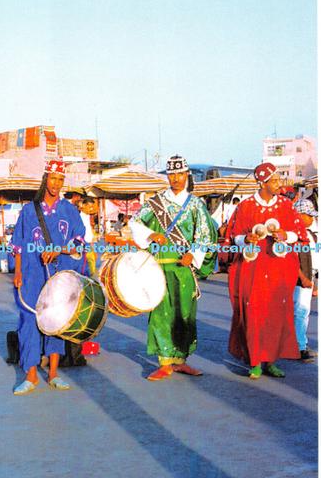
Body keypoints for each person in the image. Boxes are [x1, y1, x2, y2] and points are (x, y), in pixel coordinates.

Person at [129, 155, 217, 381]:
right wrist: (151, 234)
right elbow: (134, 222)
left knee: (184, 314)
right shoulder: (155, 202)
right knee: (160, 313)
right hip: (159, 268)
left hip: (184, 269)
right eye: (172, 175)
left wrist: (193, 254)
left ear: (187, 175)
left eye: (180, 174)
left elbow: (206, 234)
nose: (176, 179)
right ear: (167, 176)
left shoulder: (196, 204)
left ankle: (181, 361)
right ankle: (164, 362)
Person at [225, 162, 308, 379]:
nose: (279, 184)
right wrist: (246, 239)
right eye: (274, 180)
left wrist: (284, 235)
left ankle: (270, 360)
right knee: (253, 312)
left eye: (278, 179)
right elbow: (234, 235)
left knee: (275, 313)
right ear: (262, 182)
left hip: (278, 269)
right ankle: (254, 362)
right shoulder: (245, 206)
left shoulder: (285, 206)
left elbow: (299, 233)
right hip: (252, 269)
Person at [11, 159, 87, 395]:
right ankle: (31, 374)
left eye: (60, 179)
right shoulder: (29, 210)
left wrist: (60, 250)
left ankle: (53, 373)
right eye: (52, 178)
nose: (56, 184)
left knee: (56, 319)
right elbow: (18, 244)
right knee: (29, 320)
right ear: (46, 179)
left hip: (59, 272)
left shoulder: (69, 210)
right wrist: (18, 271)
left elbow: (79, 241)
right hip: (32, 272)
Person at [293, 198, 318, 361]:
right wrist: (303, 278)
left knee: (303, 312)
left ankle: (299, 344)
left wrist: (313, 281)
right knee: (300, 312)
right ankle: (299, 347)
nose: (312, 218)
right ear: (300, 215)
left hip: (309, 276)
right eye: (309, 215)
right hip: (300, 279)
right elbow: (292, 258)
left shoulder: (308, 233)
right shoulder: (294, 235)